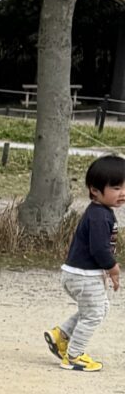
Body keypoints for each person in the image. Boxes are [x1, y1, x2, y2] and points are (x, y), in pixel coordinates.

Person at [45, 151, 125, 371]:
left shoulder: (102, 211)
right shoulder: (99, 216)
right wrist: (113, 268)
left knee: (98, 308)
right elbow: (99, 248)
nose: (122, 193)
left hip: (79, 274)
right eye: (116, 188)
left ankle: (61, 335)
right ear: (95, 190)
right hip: (83, 275)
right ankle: (73, 355)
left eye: (124, 187)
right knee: (95, 313)